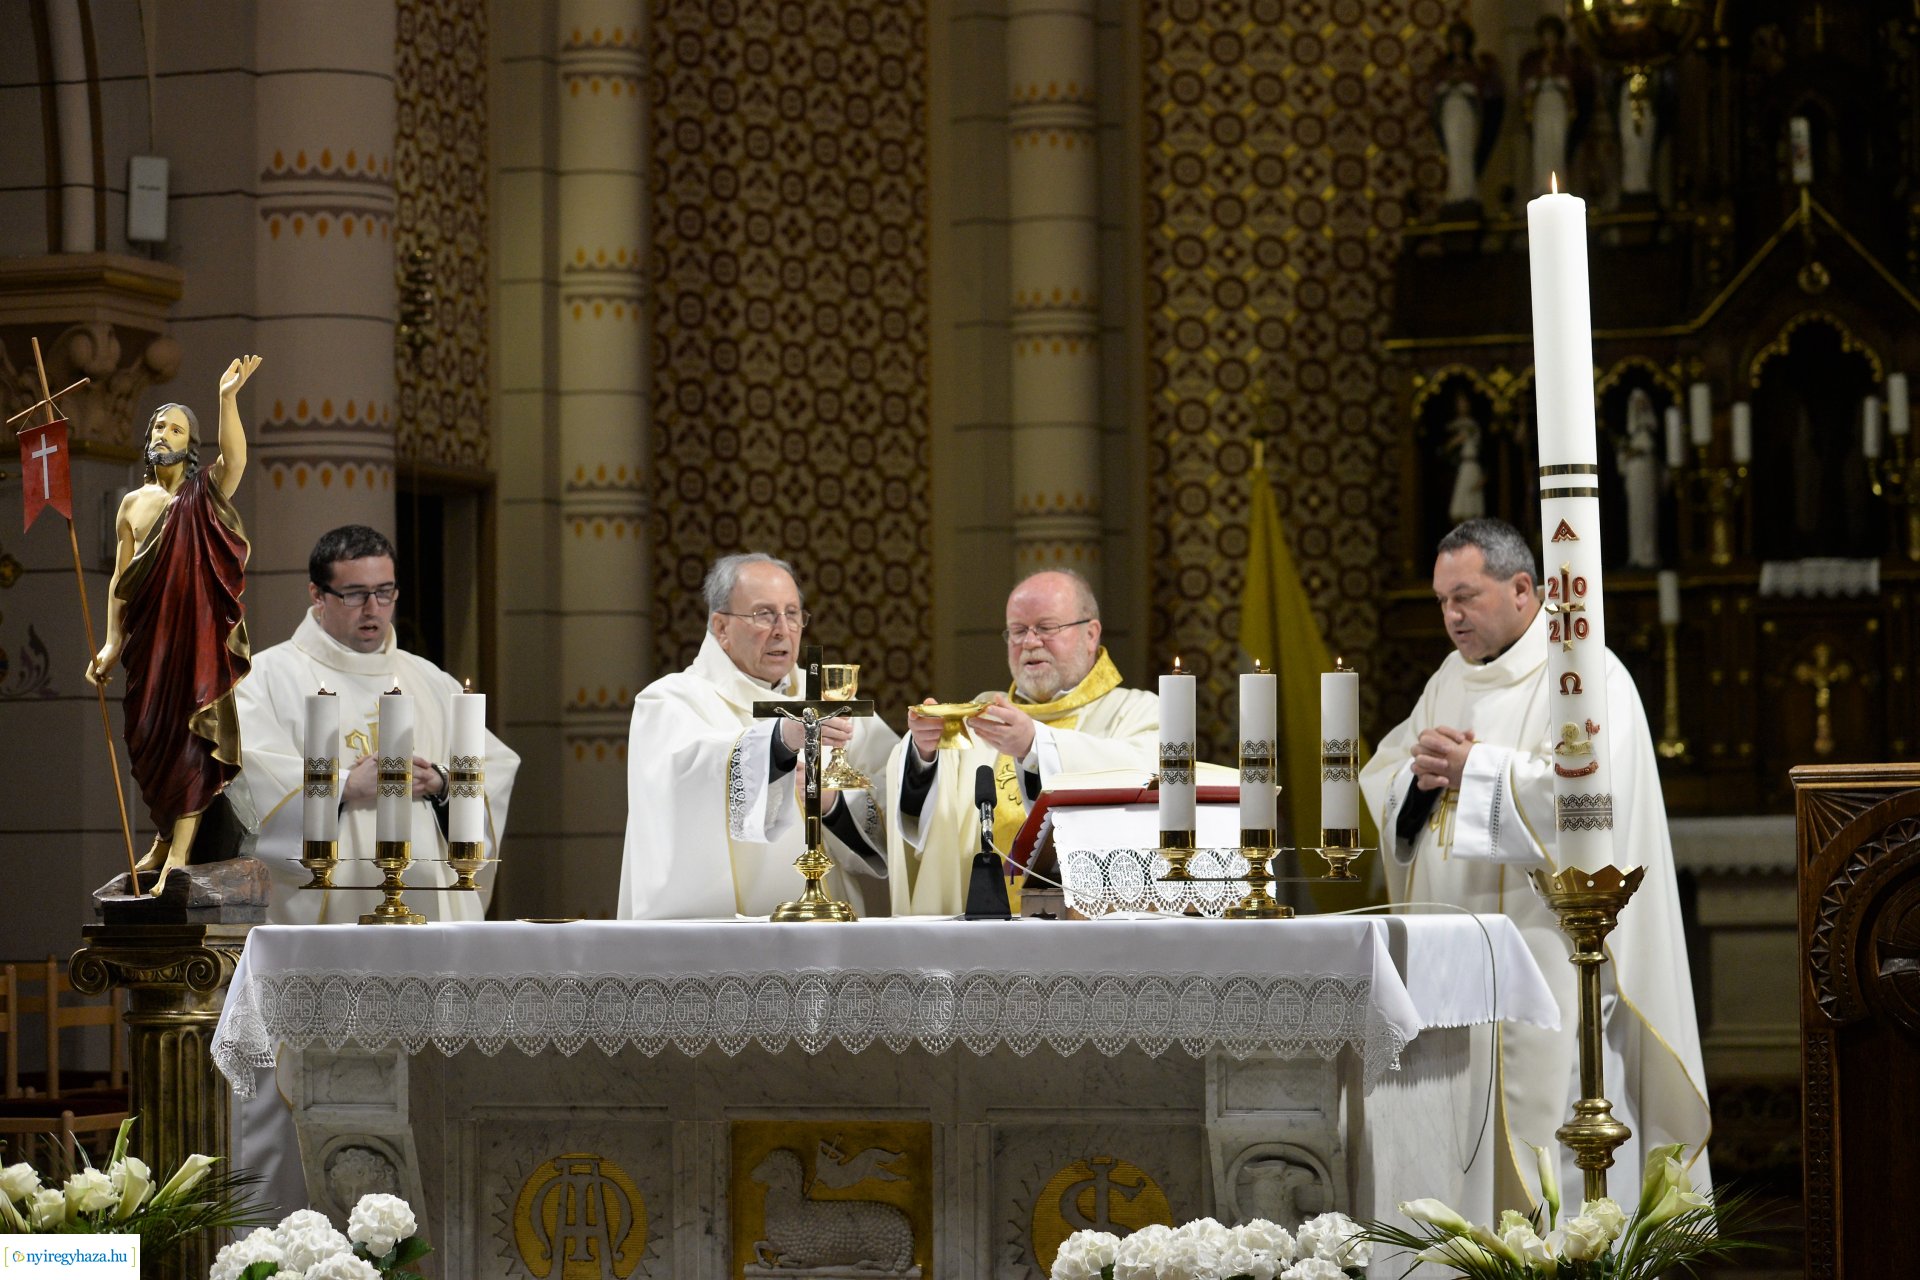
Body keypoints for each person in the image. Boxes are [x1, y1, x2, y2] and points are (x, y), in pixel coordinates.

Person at [1357, 518, 1710, 1210]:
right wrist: (1423, 774)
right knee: (1455, 1135)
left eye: (1466, 596)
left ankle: (1560, 1253)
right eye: (1441, 601)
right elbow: (1388, 774)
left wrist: (1475, 770)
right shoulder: (1447, 681)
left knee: (1548, 1124)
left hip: (1549, 956)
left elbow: (1589, 801)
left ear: (1524, 588)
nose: (1451, 616)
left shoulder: (1584, 673)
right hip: (1451, 962)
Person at [233, 525, 520, 924]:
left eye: (385, 592)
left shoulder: (432, 681)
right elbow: (248, 781)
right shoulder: (265, 678)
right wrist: (343, 786)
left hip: (429, 902)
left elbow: (495, 769)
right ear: (317, 595)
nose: (373, 608)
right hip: (327, 910)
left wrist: (441, 784)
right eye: (354, 594)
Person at [617, 551, 900, 918]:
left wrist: (834, 804)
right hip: (724, 943)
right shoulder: (670, 702)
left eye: (793, 613)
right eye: (764, 614)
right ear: (721, 628)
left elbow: (895, 802)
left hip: (830, 935)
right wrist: (780, 740)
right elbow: (684, 783)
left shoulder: (831, 703)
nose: (782, 629)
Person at [884, 569, 1158, 915]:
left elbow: (1144, 781)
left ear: (1091, 634)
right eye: (1017, 631)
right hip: (982, 932)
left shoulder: (1136, 712)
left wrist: (1035, 745)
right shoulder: (981, 717)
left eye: (1046, 628)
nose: (1030, 642)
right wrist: (923, 753)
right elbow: (922, 818)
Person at [87, 356, 262, 893]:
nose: (164, 434)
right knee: (147, 738)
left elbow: (234, 462)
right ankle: (164, 835)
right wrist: (113, 643)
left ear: (191, 445)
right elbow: (121, 581)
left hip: (194, 644)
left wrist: (227, 399)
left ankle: (180, 854)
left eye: (176, 428)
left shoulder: (202, 495)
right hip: (148, 646)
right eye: (159, 426)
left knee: (190, 740)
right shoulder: (133, 506)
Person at [1426, 19, 1503, 211]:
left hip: (1466, 111)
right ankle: (1455, 192)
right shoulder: (1442, 67)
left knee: (1466, 150)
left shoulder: (1475, 66)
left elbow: (1485, 91)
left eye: (1460, 41)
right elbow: (1435, 92)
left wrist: (1465, 84)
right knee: (1454, 151)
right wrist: (1449, 84)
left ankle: (1468, 191)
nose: (1457, 45)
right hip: (1450, 110)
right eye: (1454, 41)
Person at [1518, 15, 1593, 198]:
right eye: (1546, 35)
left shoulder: (1566, 58)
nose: (1549, 39)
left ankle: (1560, 184)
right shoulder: (1534, 60)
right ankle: (1541, 185)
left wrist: (1556, 79)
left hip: (1558, 106)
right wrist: (1540, 78)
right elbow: (1526, 86)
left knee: (1557, 143)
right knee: (1542, 145)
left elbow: (1575, 84)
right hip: (1541, 105)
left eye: (1552, 35)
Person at [1618, 389, 1660, 568]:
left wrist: (1633, 452)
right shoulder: (1630, 436)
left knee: (1647, 513)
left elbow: (1647, 450)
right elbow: (1623, 460)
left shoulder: (1648, 433)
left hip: (1646, 478)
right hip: (1634, 479)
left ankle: (1648, 554)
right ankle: (1636, 555)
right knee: (1636, 515)